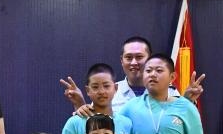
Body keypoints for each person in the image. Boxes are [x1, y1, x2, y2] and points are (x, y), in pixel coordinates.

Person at [59, 36, 204, 112]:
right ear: (121, 61)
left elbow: (179, 124)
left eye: (139, 57)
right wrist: (80, 104)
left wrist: (187, 101)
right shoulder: (108, 91)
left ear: (150, 59)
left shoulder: (170, 92)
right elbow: (94, 129)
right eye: (128, 57)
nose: (134, 62)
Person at [58, 63, 133, 134]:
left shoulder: (126, 124)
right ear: (87, 90)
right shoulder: (74, 123)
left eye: (106, 86)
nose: (101, 91)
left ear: (116, 88)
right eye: (95, 87)